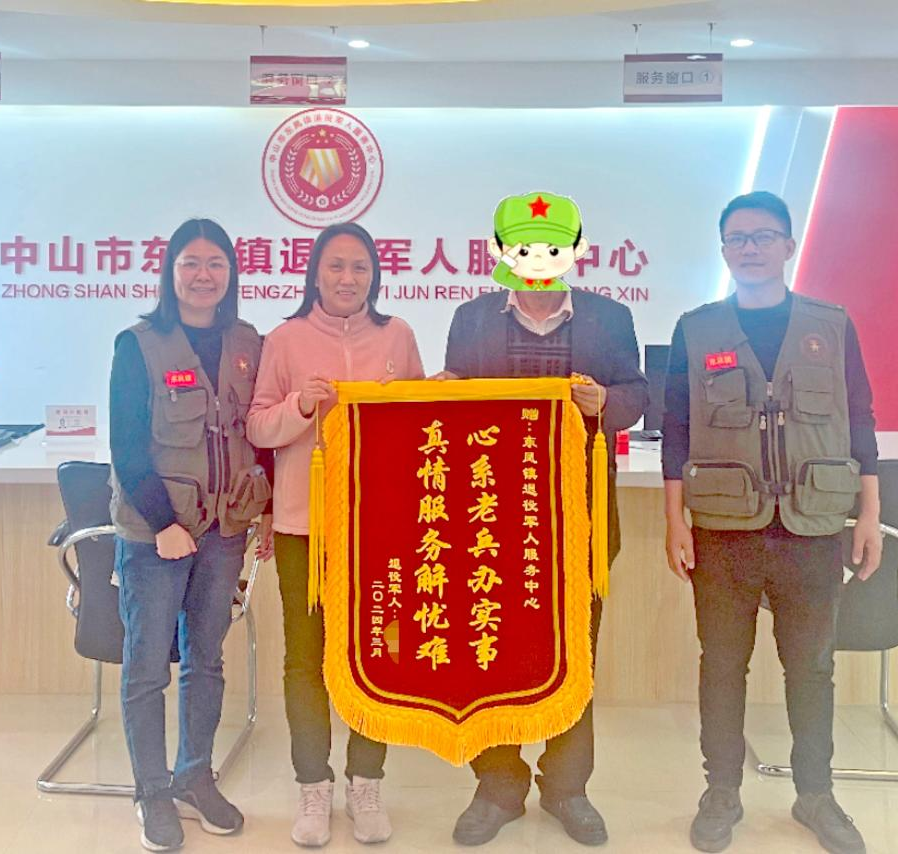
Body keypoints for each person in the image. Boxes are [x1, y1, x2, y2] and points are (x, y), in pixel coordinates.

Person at [662, 191, 882, 854]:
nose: (749, 248)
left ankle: (816, 795)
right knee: (722, 666)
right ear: (723, 250)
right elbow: (675, 427)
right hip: (723, 525)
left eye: (762, 236)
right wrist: (674, 519)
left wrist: (868, 514)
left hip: (812, 525)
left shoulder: (830, 326)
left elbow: (860, 419)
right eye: (737, 238)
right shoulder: (697, 329)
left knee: (811, 668)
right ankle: (721, 792)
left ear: (787, 245)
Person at [438, 191, 648, 847]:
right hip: (489, 518)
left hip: (578, 516)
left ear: (574, 251)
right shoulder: (471, 319)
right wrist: (438, 391)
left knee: (574, 654)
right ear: (501, 252)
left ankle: (567, 786)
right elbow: (452, 399)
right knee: (490, 648)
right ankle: (497, 784)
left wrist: (605, 399)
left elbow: (638, 396)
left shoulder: (609, 318)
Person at [248, 221, 424, 848]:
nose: (348, 279)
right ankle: (313, 786)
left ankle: (366, 780)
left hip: (382, 526)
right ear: (315, 273)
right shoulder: (285, 339)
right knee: (306, 658)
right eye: (336, 267)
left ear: (375, 275)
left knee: (382, 651)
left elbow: (423, 424)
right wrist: (300, 406)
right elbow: (258, 427)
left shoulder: (398, 336)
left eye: (359, 268)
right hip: (304, 527)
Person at [109, 217, 275, 852]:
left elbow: (259, 434)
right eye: (190, 263)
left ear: (230, 272)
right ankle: (151, 791)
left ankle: (193, 777)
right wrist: (165, 524)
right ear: (170, 271)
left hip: (226, 528)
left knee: (206, 660)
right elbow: (126, 446)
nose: (203, 275)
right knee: (148, 665)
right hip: (157, 533)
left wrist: (264, 508)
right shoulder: (139, 344)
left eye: (215, 263)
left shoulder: (249, 342)